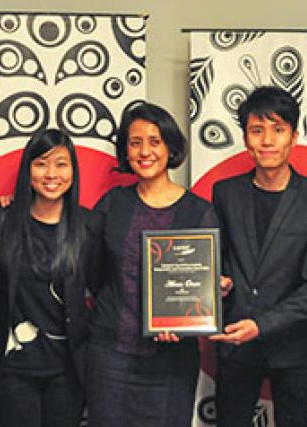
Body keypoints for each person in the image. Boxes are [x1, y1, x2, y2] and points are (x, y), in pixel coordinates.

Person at [209, 86, 307, 426]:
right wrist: (217, 281)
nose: (267, 140)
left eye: (278, 129)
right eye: (257, 130)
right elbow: (214, 258)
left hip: (293, 347)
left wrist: (262, 325)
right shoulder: (225, 193)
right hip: (235, 340)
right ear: (245, 139)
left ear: (294, 137)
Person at [86, 102, 218, 427]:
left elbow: (205, 283)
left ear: (170, 147)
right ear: (126, 151)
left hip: (171, 364)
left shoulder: (199, 213)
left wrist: (196, 308)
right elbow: (92, 272)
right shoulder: (111, 205)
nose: (145, 151)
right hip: (110, 358)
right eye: (135, 142)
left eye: (155, 141)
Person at [0, 128, 98, 427]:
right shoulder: (1, 221)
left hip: (68, 370)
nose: (52, 174)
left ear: (73, 171)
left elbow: (105, 289)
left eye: (61, 164)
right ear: (28, 170)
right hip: (13, 370)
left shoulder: (89, 226)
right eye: (41, 163)